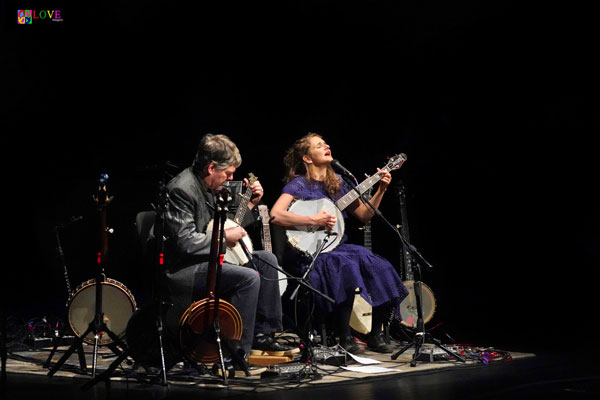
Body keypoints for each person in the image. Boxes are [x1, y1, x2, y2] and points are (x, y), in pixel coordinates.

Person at [161, 133, 294, 370]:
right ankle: (235, 353)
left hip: (211, 258)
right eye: (228, 173)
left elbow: (223, 226)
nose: (231, 178)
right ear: (211, 167)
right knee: (248, 278)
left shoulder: (210, 185)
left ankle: (263, 336)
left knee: (266, 260)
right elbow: (185, 242)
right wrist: (223, 238)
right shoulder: (182, 189)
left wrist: (250, 205)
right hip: (187, 269)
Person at [270, 133, 409, 353]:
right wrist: (313, 220)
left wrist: (381, 190)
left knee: (380, 266)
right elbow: (276, 215)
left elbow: (364, 215)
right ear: (307, 158)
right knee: (345, 265)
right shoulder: (298, 185)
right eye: (319, 145)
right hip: (311, 253)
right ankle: (344, 336)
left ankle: (375, 333)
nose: (327, 146)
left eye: (326, 143)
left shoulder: (338, 183)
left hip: (339, 246)